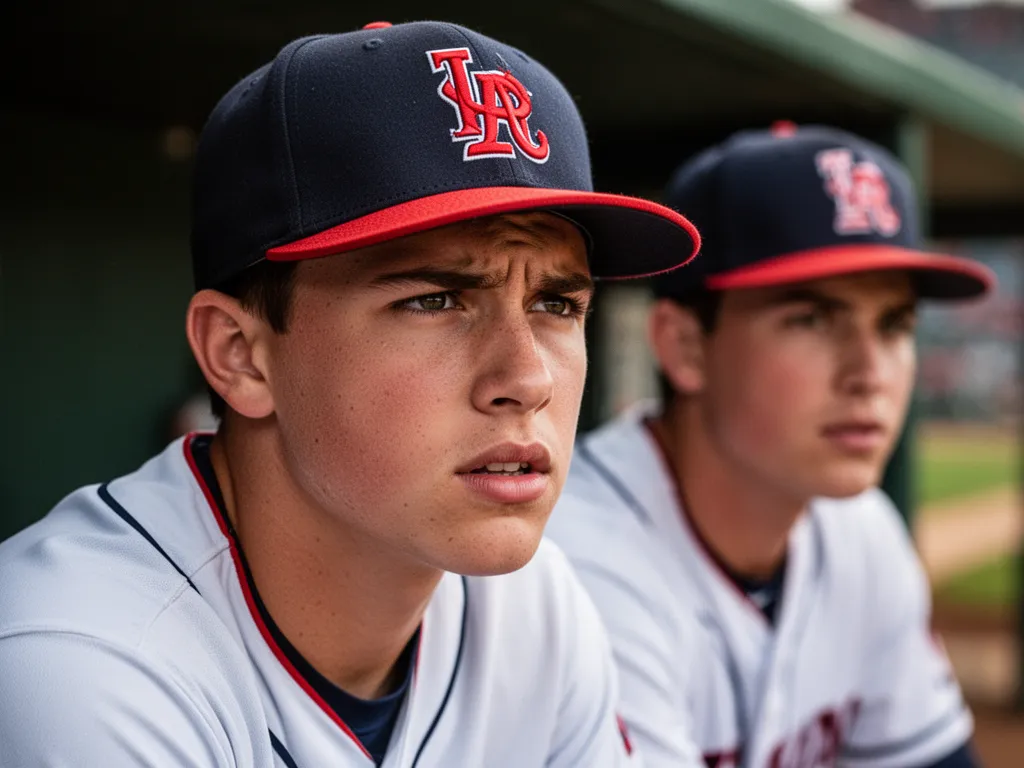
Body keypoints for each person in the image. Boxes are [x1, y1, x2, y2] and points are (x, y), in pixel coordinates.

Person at [0, 22, 701, 767]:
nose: (528, 379)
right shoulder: (79, 669)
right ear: (240, 357)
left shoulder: (531, 612)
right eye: (435, 300)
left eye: (557, 305)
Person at [546, 124, 994, 768]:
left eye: (894, 325)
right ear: (684, 345)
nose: (870, 373)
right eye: (811, 319)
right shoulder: (578, 566)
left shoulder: (860, 532)